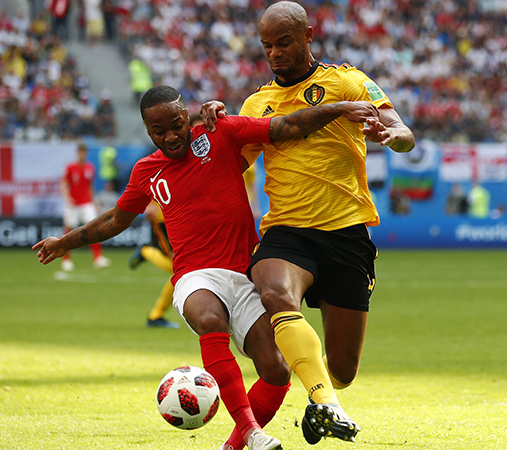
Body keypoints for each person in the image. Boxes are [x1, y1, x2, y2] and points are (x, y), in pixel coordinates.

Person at [33, 85, 380, 450]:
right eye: (158, 131)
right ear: (147, 131)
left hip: (244, 273)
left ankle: (232, 446)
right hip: (194, 275)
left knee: (277, 371)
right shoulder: (146, 171)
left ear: (188, 116)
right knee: (211, 319)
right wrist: (65, 242)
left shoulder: (221, 132)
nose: (170, 137)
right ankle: (252, 433)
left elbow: (288, 125)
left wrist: (338, 108)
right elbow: (116, 220)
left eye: (176, 125)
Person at [200, 1, 415, 444]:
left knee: (343, 369)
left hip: (346, 234)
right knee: (275, 292)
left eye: (283, 43)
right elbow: (228, 164)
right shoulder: (258, 103)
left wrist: (394, 136)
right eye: (266, 46)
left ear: (308, 36)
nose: (274, 53)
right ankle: (326, 405)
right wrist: (214, 127)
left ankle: (323, 398)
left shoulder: (347, 82)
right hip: (287, 231)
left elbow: (402, 131)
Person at [128, 200, 182, 329]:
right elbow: (145, 186)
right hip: (162, 218)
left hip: (178, 217)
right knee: (180, 269)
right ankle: (145, 251)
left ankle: (156, 315)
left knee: (181, 270)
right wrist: (149, 203)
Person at [59, 143, 112, 271]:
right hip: (73, 203)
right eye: (80, 152)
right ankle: (66, 259)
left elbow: (89, 186)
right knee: (69, 229)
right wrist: (67, 197)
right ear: (77, 153)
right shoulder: (70, 167)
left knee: (94, 228)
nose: (82, 154)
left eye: (84, 152)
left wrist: (94, 201)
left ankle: (97, 257)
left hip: (86, 202)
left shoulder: (90, 168)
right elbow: (63, 183)